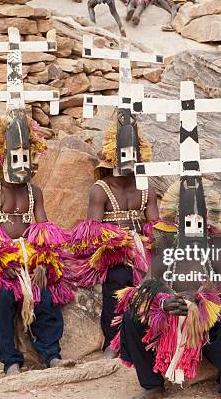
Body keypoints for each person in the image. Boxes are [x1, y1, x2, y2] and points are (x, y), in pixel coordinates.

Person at [113, 181, 221, 399]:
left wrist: (201, 302)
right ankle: (152, 385)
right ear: (176, 221)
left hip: (207, 326)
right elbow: (141, 292)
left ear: (208, 221)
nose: (193, 225)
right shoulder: (166, 250)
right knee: (131, 316)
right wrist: (163, 303)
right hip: (170, 322)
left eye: (199, 220)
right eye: (187, 220)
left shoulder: (220, 249)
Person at [0, 108, 76, 376]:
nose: (22, 163)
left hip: (31, 261)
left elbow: (45, 232)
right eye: (16, 157)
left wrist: (43, 265)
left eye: (26, 156)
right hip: (0, 264)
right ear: (3, 157)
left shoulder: (34, 191)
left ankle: (51, 355)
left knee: (45, 297)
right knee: (2, 300)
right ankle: (10, 361)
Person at [68, 109, 159, 359]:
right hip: (111, 253)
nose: (129, 159)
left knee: (149, 283)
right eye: (124, 154)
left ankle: (145, 339)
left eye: (133, 154)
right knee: (116, 282)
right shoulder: (101, 189)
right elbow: (91, 231)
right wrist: (117, 241)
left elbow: (154, 223)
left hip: (141, 251)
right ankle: (112, 341)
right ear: (113, 156)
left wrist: (153, 241)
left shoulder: (146, 188)